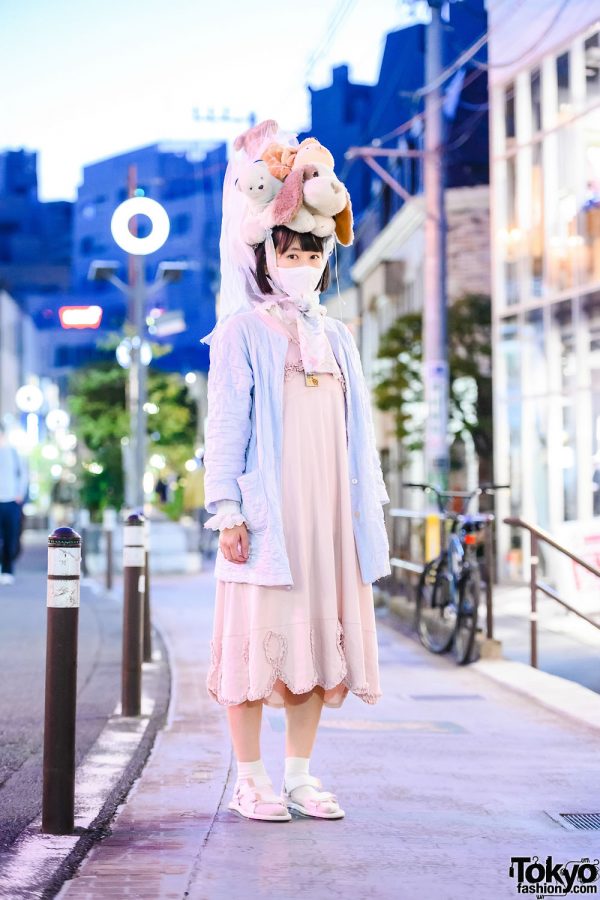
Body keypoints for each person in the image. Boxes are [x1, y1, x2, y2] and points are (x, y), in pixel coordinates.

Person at [200, 120, 391, 822]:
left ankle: (301, 775)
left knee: (315, 647)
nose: (302, 258)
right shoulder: (242, 332)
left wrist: (364, 512)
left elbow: (357, 437)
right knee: (255, 653)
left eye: (312, 249)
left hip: (328, 521)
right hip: (266, 517)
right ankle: (251, 779)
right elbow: (226, 424)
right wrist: (226, 510)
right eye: (289, 247)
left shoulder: (337, 336)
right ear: (264, 253)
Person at [0, 422, 29, 585]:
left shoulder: (12, 452)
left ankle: (7, 570)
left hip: (11, 501)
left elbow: (23, 474)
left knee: (11, 537)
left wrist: (20, 494)